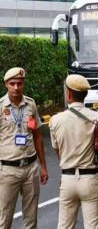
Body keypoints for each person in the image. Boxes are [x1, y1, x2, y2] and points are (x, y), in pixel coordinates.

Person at [49, 74, 98, 229]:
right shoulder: (97, 118)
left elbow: (59, 152)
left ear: (68, 93)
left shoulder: (55, 120)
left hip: (67, 179)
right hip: (90, 178)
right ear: (86, 94)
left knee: (65, 226)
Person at [0, 67, 48, 229]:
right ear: (6, 84)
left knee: (31, 218)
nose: (16, 87)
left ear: (23, 84)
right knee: (4, 218)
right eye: (12, 83)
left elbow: (37, 136)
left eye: (19, 83)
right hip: (8, 170)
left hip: (31, 168)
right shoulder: (0, 107)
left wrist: (43, 167)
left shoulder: (30, 104)